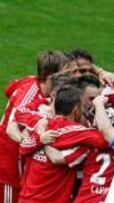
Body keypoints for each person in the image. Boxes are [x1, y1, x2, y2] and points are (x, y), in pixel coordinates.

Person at [18, 86, 109, 203]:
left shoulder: (39, 123)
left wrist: (41, 136)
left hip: (25, 199)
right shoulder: (78, 132)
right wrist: (99, 105)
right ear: (75, 109)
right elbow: (105, 140)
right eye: (82, 108)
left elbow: (22, 147)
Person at [0, 50, 66, 203]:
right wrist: (30, 143)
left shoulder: (43, 92)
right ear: (49, 75)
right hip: (9, 164)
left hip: (22, 162)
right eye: (62, 74)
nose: (66, 79)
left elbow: (9, 89)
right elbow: (11, 129)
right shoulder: (28, 93)